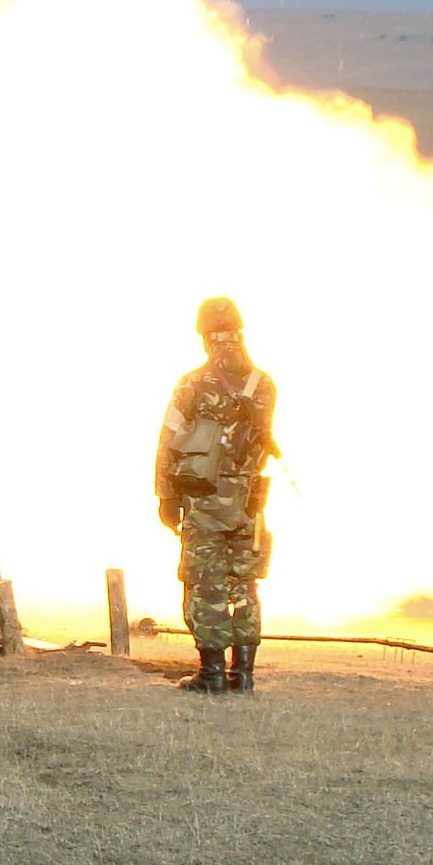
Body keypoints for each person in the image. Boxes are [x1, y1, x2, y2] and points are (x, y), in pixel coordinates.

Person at [154, 296, 278, 693]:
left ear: (205, 338)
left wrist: (166, 497)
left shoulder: (192, 384)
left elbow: (169, 442)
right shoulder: (264, 385)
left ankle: (211, 676)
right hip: (248, 504)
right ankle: (243, 676)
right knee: (243, 585)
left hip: (206, 502)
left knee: (205, 583)